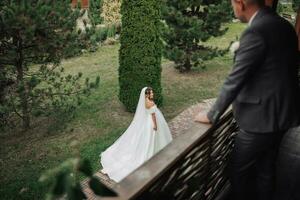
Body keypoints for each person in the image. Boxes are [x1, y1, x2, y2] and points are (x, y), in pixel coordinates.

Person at [194, 0, 300, 200]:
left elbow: (234, 80)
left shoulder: (256, 31)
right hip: (284, 115)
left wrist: (211, 113)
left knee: (237, 171)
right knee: (266, 168)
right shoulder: (282, 24)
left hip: (260, 121)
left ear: (240, 3)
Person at [100, 87, 173, 182]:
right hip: (151, 122)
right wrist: (155, 125)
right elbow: (153, 115)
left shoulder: (145, 101)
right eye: (151, 93)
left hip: (147, 121)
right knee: (153, 137)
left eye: (152, 92)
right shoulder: (150, 103)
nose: (152, 94)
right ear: (146, 94)